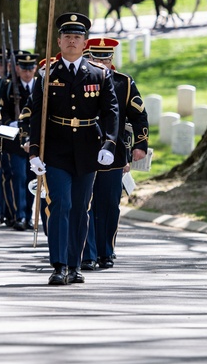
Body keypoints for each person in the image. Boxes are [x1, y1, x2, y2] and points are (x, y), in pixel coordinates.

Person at [22, 13, 119, 286]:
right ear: (59, 41)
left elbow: (111, 112)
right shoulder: (47, 74)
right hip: (56, 148)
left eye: (77, 37)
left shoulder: (99, 74)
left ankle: (75, 264)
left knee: (79, 207)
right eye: (67, 37)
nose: (72, 41)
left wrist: (109, 143)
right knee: (60, 204)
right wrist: (34, 151)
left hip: (88, 147)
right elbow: (36, 116)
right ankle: (59, 264)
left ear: (84, 42)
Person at [81, 37, 149, 271]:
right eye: (94, 58)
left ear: (112, 60)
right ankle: (86, 253)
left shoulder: (124, 83)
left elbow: (139, 115)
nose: (101, 63)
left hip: (114, 153)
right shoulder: (79, 79)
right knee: (84, 204)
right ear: (87, 57)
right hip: (82, 153)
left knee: (109, 205)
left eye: (106, 58)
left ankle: (105, 251)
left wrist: (140, 145)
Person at [0, 51, 38, 231]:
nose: (27, 72)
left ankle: (29, 215)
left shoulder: (39, 86)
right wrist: (10, 122)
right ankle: (19, 215)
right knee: (18, 177)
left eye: (30, 69)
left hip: (34, 141)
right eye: (24, 68)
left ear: (35, 69)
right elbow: (1, 110)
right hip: (14, 141)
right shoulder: (8, 86)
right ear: (17, 68)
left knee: (31, 179)